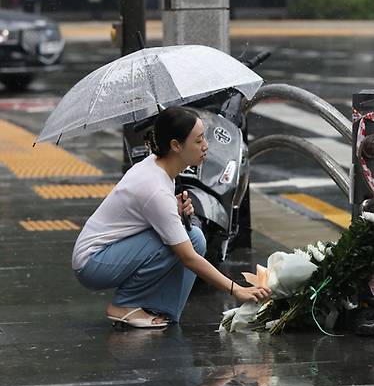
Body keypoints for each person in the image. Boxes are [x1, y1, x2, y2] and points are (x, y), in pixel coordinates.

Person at [72, 107, 270, 328]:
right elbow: (188, 258)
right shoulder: (155, 187)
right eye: (198, 141)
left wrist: (174, 211)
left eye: (204, 137)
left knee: (195, 237)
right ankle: (124, 305)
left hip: (111, 252)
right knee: (187, 245)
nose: (206, 146)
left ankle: (161, 310)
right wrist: (237, 290)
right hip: (93, 263)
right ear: (176, 146)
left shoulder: (158, 167)